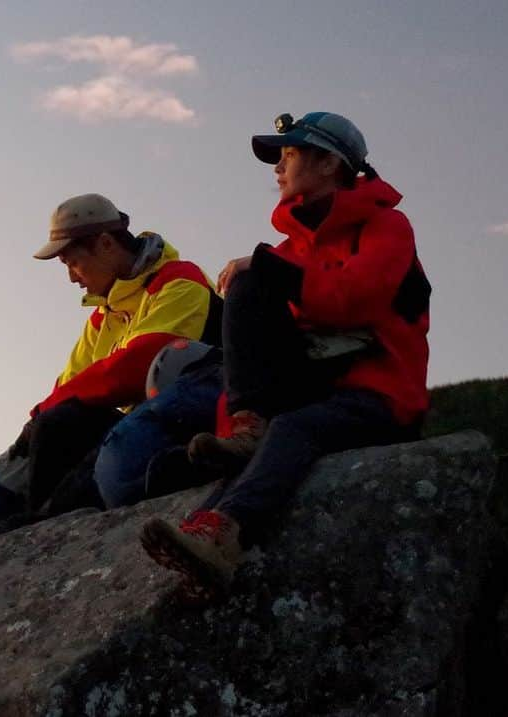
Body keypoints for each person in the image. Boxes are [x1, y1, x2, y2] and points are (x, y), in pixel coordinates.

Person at [140, 111, 431, 595]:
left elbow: (357, 296)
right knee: (173, 463)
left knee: (295, 426)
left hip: (381, 398)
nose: (277, 167)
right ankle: (245, 430)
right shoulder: (287, 249)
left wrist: (269, 265)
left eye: (289, 154)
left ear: (328, 164)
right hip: (316, 389)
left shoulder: (386, 226)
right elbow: (254, 356)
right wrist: (228, 425)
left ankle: (224, 535)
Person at [0, 193, 221, 546]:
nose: (73, 278)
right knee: (52, 426)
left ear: (105, 244)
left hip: (183, 420)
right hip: (139, 423)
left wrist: (47, 412)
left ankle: (27, 533)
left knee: (66, 424)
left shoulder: (180, 280)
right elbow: (69, 384)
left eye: (73, 263)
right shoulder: (102, 319)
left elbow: (139, 365)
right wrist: (36, 420)